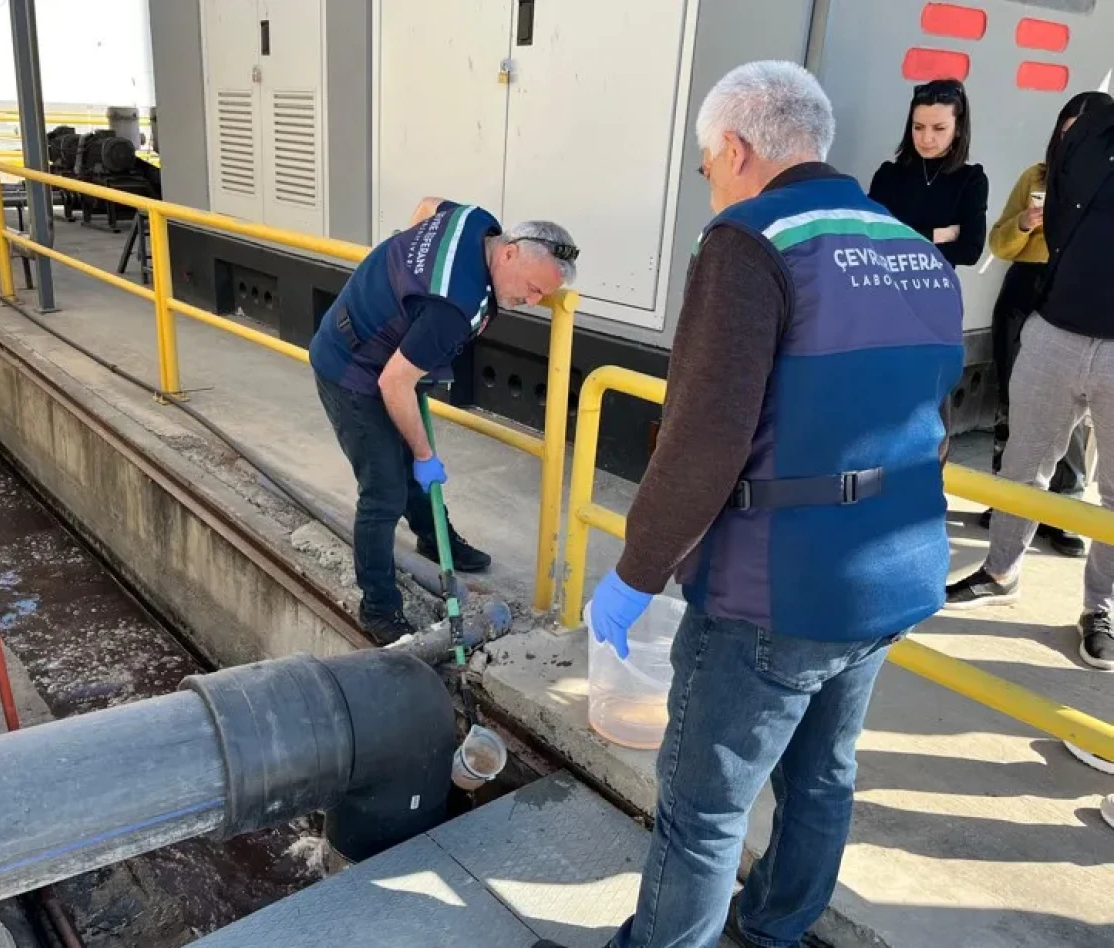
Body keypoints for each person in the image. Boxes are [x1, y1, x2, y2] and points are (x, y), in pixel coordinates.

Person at [535, 61, 964, 948]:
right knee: (823, 778)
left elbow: (703, 439)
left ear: (734, 148)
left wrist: (636, 573)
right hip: (894, 570)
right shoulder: (913, 249)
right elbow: (936, 418)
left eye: (706, 168)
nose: (710, 187)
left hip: (776, 590)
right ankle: (772, 932)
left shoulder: (748, 241)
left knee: (703, 809)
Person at [309, 199, 577, 642]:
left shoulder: (477, 221)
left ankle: (435, 539)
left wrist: (406, 292)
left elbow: (427, 206)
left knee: (407, 467)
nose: (531, 302)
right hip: (352, 370)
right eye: (532, 288)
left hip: (388, 354)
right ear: (510, 253)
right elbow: (394, 384)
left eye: (541, 296)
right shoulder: (455, 307)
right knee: (384, 491)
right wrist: (424, 454)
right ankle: (378, 609)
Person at [946, 98, 1114, 680]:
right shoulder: (1079, 143)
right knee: (1022, 465)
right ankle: (1000, 572)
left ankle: (1101, 608)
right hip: (1054, 329)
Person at [979, 92, 1113, 557]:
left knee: (1078, 425)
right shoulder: (1037, 177)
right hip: (1029, 293)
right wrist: (1024, 223)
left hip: (1084, 308)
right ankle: (1006, 516)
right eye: (1067, 129)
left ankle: (1065, 510)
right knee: (1019, 409)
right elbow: (999, 244)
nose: (1073, 140)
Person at [868, 78, 988, 268]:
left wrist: (901, 239)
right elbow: (872, 238)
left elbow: (969, 252)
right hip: (885, 280)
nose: (926, 138)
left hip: (935, 283)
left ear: (958, 128)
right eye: (918, 127)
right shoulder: (888, 175)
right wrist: (936, 235)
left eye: (939, 128)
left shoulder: (971, 179)